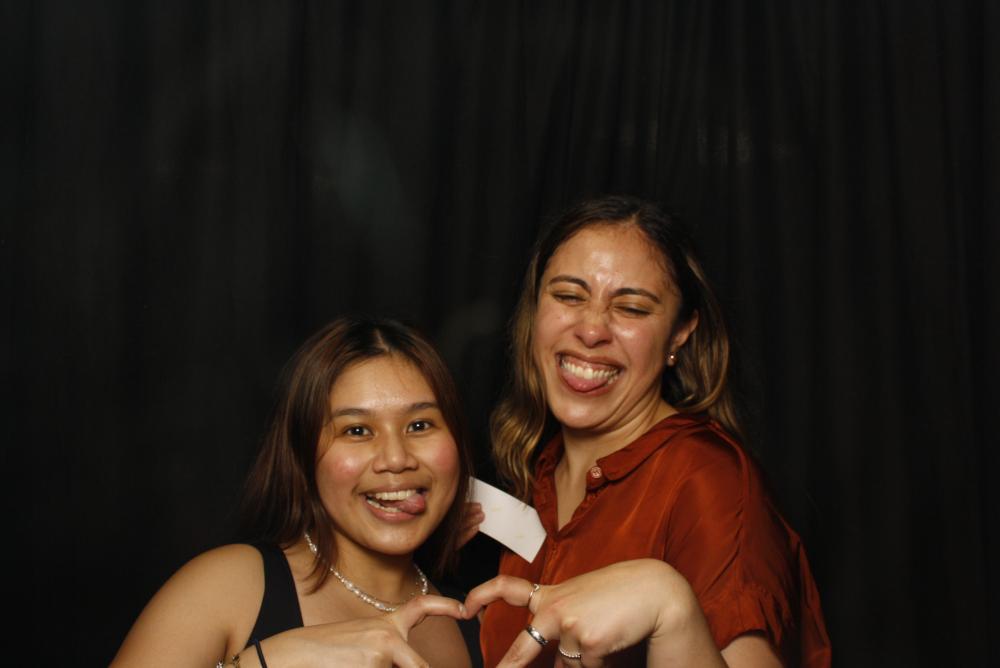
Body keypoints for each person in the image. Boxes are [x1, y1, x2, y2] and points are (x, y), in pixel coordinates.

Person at [467, 195, 831, 667]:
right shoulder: (540, 467)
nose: (591, 330)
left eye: (632, 308)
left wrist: (667, 601)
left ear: (679, 334)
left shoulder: (709, 481)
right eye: (569, 296)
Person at [113, 316, 474, 668]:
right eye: (356, 431)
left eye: (419, 425)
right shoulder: (227, 587)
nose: (395, 459)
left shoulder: (481, 623)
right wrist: (263, 662)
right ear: (303, 455)